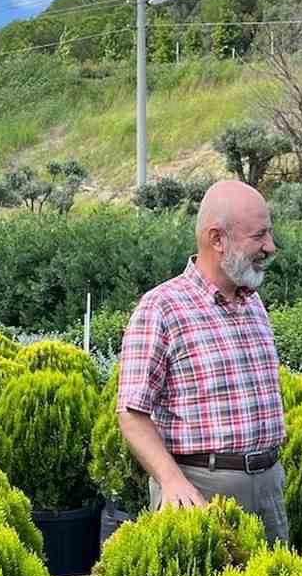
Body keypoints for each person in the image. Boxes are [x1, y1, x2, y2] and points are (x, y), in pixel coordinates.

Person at [116, 178, 288, 544]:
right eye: (258, 236)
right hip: (201, 491)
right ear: (217, 239)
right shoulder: (162, 307)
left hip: (269, 484)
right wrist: (171, 480)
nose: (270, 247)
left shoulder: (252, 302)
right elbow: (131, 411)